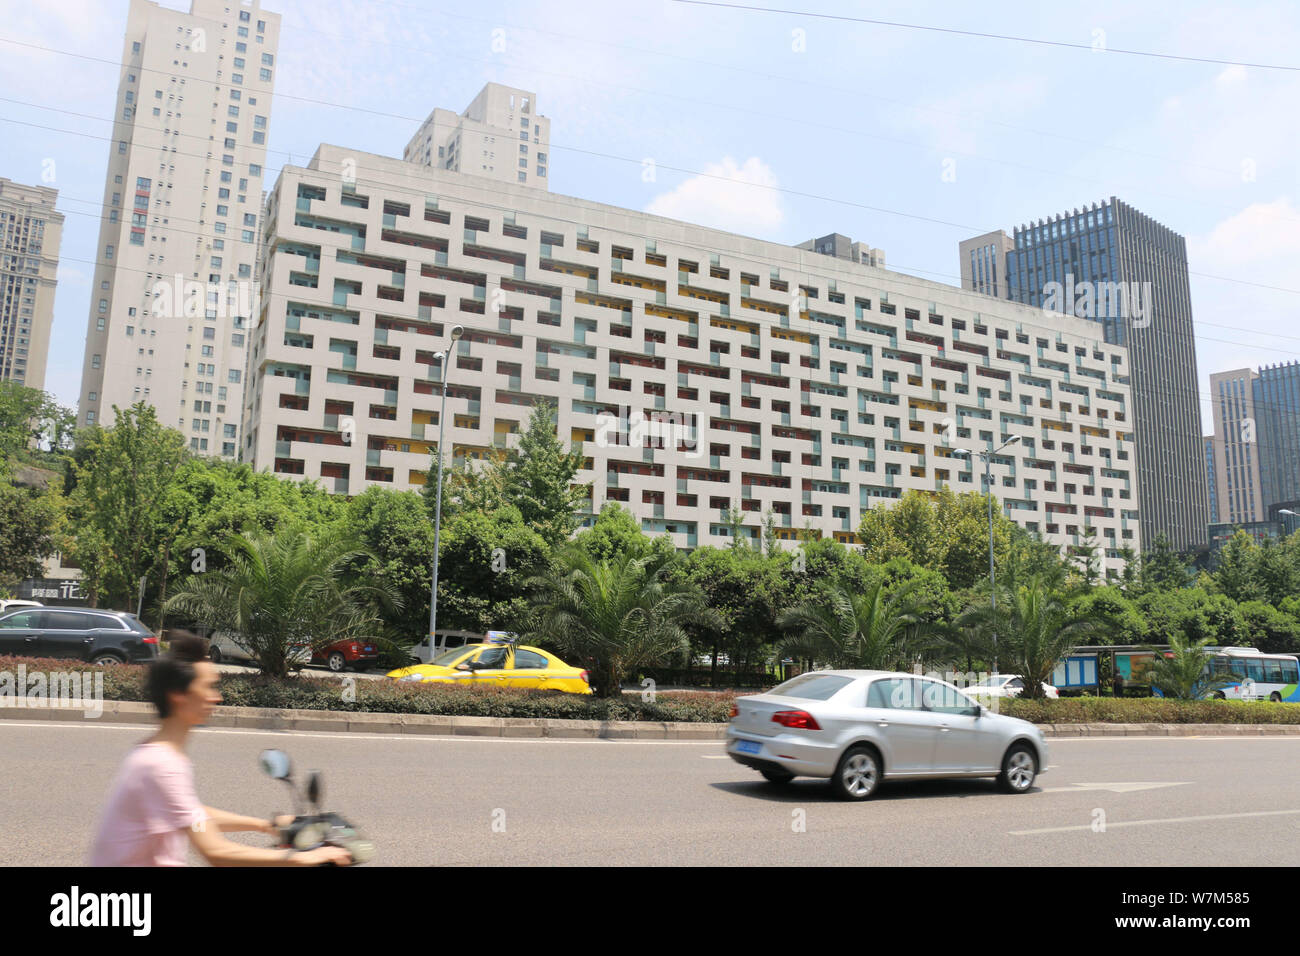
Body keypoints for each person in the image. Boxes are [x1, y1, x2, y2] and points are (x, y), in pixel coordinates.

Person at [89, 633, 351, 867]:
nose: (217, 697)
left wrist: (265, 826)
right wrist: (302, 858)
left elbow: (191, 814)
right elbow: (217, 852)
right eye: (209, 687)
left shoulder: (153, 753)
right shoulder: (161, 765)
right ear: (178, 695)